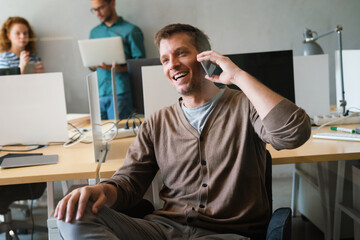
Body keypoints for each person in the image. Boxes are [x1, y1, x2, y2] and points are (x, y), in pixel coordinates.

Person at [55, 23, 311, 239]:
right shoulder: (157, 122)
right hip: (165, 230)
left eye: (181, 54)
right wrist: (102, 191)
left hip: (227, 234)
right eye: (165, 59)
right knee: (72, 215)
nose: (172, 65)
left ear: (205, 56)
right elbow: (130, 182)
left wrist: (239, 77)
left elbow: (294, 133)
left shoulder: (245, 105)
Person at [89, 0, 146, 120]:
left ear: (112, 3)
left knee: (118, 134)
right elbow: (90, 65)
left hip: (121, 93)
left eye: (100, 8)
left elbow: (140, 66)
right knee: (99, 135)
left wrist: (117, 69)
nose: (98, 13)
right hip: (99, 92)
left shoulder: (131, 30)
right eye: (94, 10)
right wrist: (94, 65)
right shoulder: (94, 33)